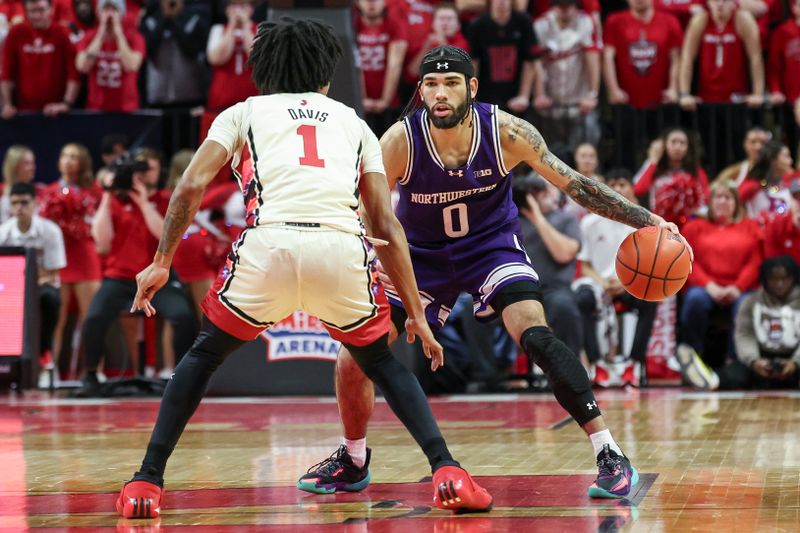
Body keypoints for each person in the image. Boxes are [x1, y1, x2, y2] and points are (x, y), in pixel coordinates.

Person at [115, 19, 492, 519]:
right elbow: (385, 222)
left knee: (204, 356)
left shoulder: (243, 112)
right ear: (324, 75)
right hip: (339, 246)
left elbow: (188, 186)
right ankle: (448, 471)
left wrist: (161, 262)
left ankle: (147, 483)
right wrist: (418, 316)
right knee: (380, 363)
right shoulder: (353, 121)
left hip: (268, 245)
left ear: (261, 70)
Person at [300, 44, 691, 501]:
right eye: (430, 84)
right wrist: (364, 252)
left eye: (449, 83)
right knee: (352, 358)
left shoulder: (507, 131)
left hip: (491, 248)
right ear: (421, 91)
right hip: (422, 257)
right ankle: (353, 457)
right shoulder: (399, 142)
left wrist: (646, 220)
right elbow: (363, 210)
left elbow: (578, 186)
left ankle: (609, 452)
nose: (439, 93)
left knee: (536, 333)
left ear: (472, 87)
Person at [78, 148, 196, 396]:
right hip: (119, 278)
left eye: (148, 169)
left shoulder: (166, 198)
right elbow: (102, 242)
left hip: (157, 277)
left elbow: (165, 235)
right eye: (138, 171)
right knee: (94, 318)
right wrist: (108, 196)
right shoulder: (115, 202)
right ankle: (90, 375)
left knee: (184, 316)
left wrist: (143, 202)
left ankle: (181, 376)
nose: (142, 176)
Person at [574, 168, 657, 385]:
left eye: (623, 184)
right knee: (582, 300)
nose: (618, 189)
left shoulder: (644, 224)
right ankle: (596, 364)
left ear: (632, 189)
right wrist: (602, 283)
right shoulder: (589, 223)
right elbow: (586, 265)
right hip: (598, 284)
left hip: (630, 284)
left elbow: (650, 265)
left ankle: (635, 363)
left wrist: (625, 283)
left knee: (651, 300)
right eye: (613, 185)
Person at [679, 256, 800, 390]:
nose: (779, 284)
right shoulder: (750, 302)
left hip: (794, 360)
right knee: (736, 373)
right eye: (774, 279)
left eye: (784, 279)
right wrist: (754, 360)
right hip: (760, 358)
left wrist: (795, 362)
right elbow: (744, 335)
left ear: (794, 279)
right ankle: (710, 379)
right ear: (765, 280)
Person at [678, 179, 763, 369]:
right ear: (711, 202)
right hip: (705, 287)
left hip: (740, 289)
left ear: (736, 204)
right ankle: (694, 358)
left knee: (745, 306)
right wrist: (709, 285)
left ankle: (736, 362)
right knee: (695, 300)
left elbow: (756, 261)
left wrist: (738, 287)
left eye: (728, 197)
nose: (723, 202)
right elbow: (687, 261)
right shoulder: (694, 227)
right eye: (719, 197)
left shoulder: (750, 227)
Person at [38, 143, 102, 380]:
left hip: (85, 256)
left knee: (92, 318)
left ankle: (95, 370)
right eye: (65, 155)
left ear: (83, 162)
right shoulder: (49, 191)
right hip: (58, 257)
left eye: (74, 157)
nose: (68, 161)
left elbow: (96, 222)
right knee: (55, 318)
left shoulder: (94, 191)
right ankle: (48, 370)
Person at [0, 182, 65, 387]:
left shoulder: (50, 231)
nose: (20, 207)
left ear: (35, 203)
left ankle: (44, 354)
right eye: (15, 203)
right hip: (10, 289)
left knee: (51, 299)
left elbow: (52, 271)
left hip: (42, 286)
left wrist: (26, 282)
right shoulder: (3, 233)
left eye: (24, 202)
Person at [678, 0, 764, 110]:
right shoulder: (700, 20)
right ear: (708, 3)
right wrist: (685, 93)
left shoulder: (742, 19)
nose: (720, 4)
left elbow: (755, 57)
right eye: (715, 1)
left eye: (724, 1)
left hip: (737, 96)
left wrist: (758, 93)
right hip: (705, 97)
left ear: (733, 2)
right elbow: (687, 57)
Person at [0, 0, 79, 118]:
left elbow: (73, 73)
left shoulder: (62, 34)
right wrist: (7, 103)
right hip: (22, 111)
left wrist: (66, 103)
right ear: (26, 12)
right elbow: (7, 72)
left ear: (51, 9)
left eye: (41, 10)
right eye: (32, 11)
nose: (37, 16)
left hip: (55, 112)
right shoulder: (16, 33)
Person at [75, 0, 145, 112]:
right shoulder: (89, 37)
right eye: (105, 9)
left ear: (122, 13)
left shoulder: (135, 38)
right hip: (96, 109)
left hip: (126, 110)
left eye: (114, 9)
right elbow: (82, 66)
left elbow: (131, 66)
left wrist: (118, 34)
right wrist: (100, 36)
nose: (109, 14)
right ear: (98, 13)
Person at [633, 127, 709, 228]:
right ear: (664, 145)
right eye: (673, 142)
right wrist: (653, 160)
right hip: (661, 225)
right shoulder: (654, 168)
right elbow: (638, 190)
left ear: (688, 147)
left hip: (689, 226)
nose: (677, 147)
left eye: (682, 143)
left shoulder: (696, 172)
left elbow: (705, 200)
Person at [739, 140, 795, 221]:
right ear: (774, 161)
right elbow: (735, 203)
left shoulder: (788, 184)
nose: (790, 161)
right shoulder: (753, 186)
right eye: (786, 156)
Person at [1, 144, 36, 222]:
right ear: (14, 166)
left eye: (33, 163)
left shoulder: (41, 191)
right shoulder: (2, 193)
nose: (32, 167)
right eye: (27, 163)